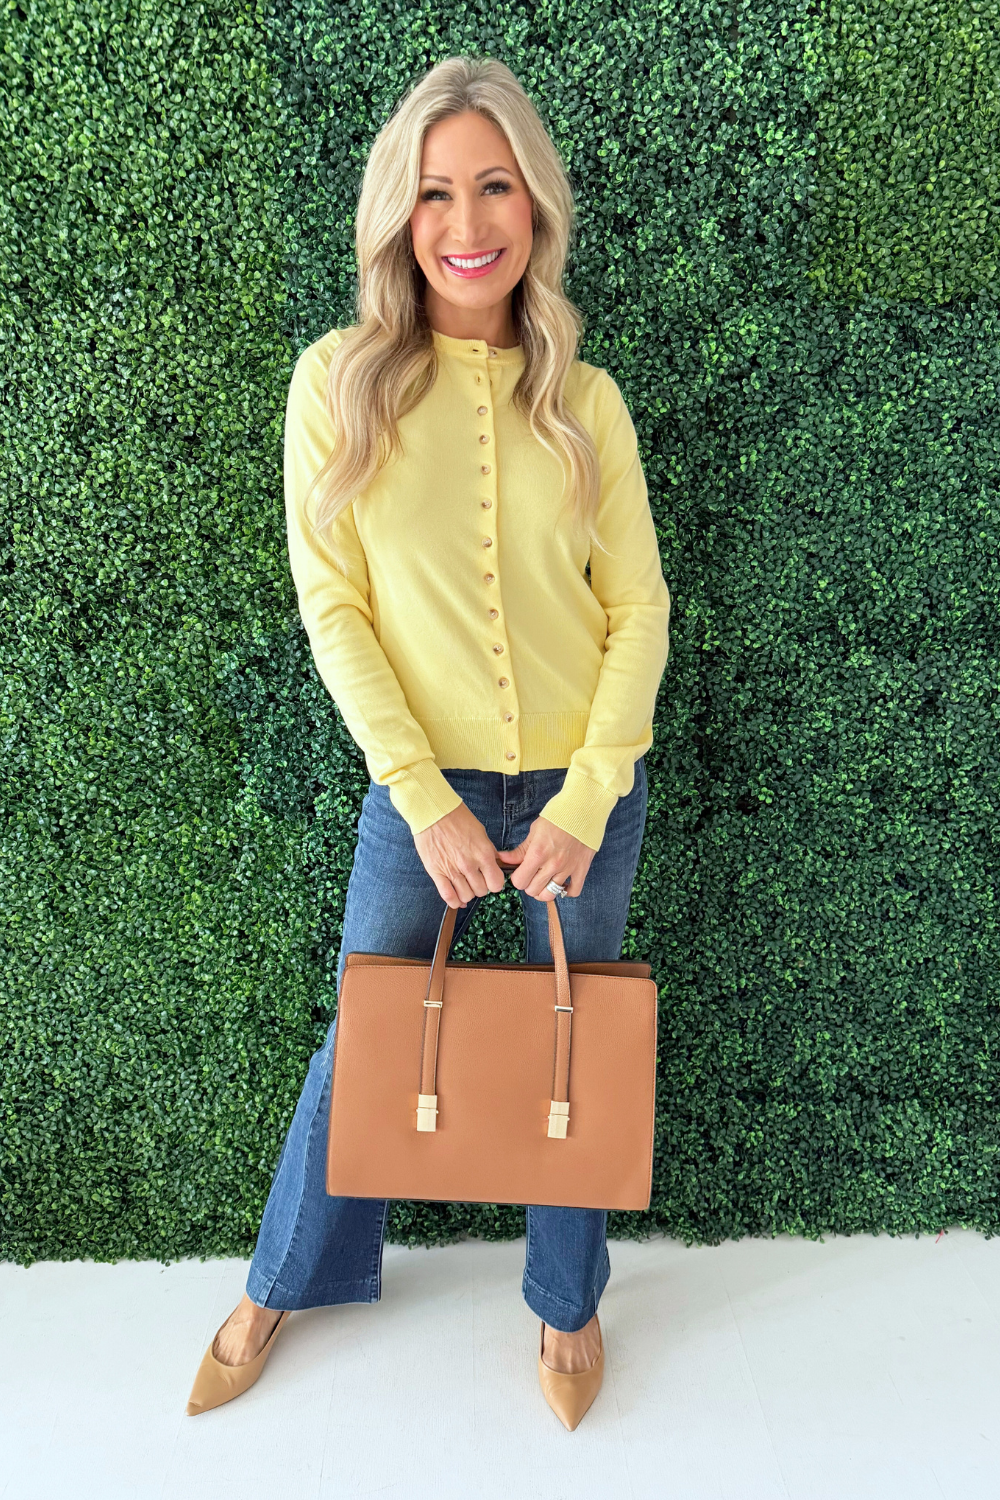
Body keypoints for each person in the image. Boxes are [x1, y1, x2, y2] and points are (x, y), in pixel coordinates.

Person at [186, 53, 671, 1432]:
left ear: (535, 204)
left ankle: (567, 1307)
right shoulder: (338, 385)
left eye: (495, 185)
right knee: (368, 1042)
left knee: (575, 1039)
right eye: (436, 191)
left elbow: (638, 609)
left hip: (584, 793)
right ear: (399, 214)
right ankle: (277, 1287)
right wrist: (423, 796)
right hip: (424, 793)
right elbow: (333, 609)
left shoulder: (587, 400)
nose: (468, 222)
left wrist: (588, 796)